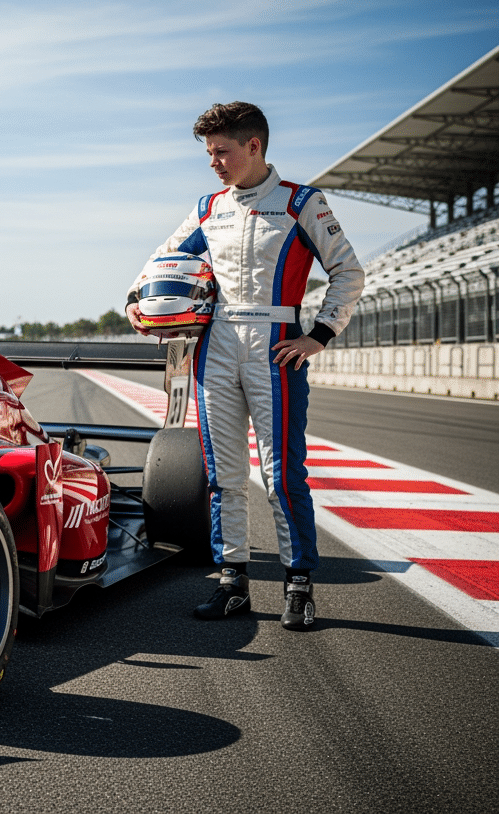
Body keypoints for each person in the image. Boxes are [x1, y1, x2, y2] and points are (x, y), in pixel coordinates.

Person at [125, 102, 364, 630]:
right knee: (222, 475)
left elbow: (348, 271)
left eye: (221, 151)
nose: (214, 162)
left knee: (281, 476)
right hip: (215, 345)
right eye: (209, 153)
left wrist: (318, 335)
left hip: (278, 344)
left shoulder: (303, 202)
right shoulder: (209, 207)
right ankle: (232, 581)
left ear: (254, 146)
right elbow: (160, 260)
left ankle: (298, 583)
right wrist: (136, 301)